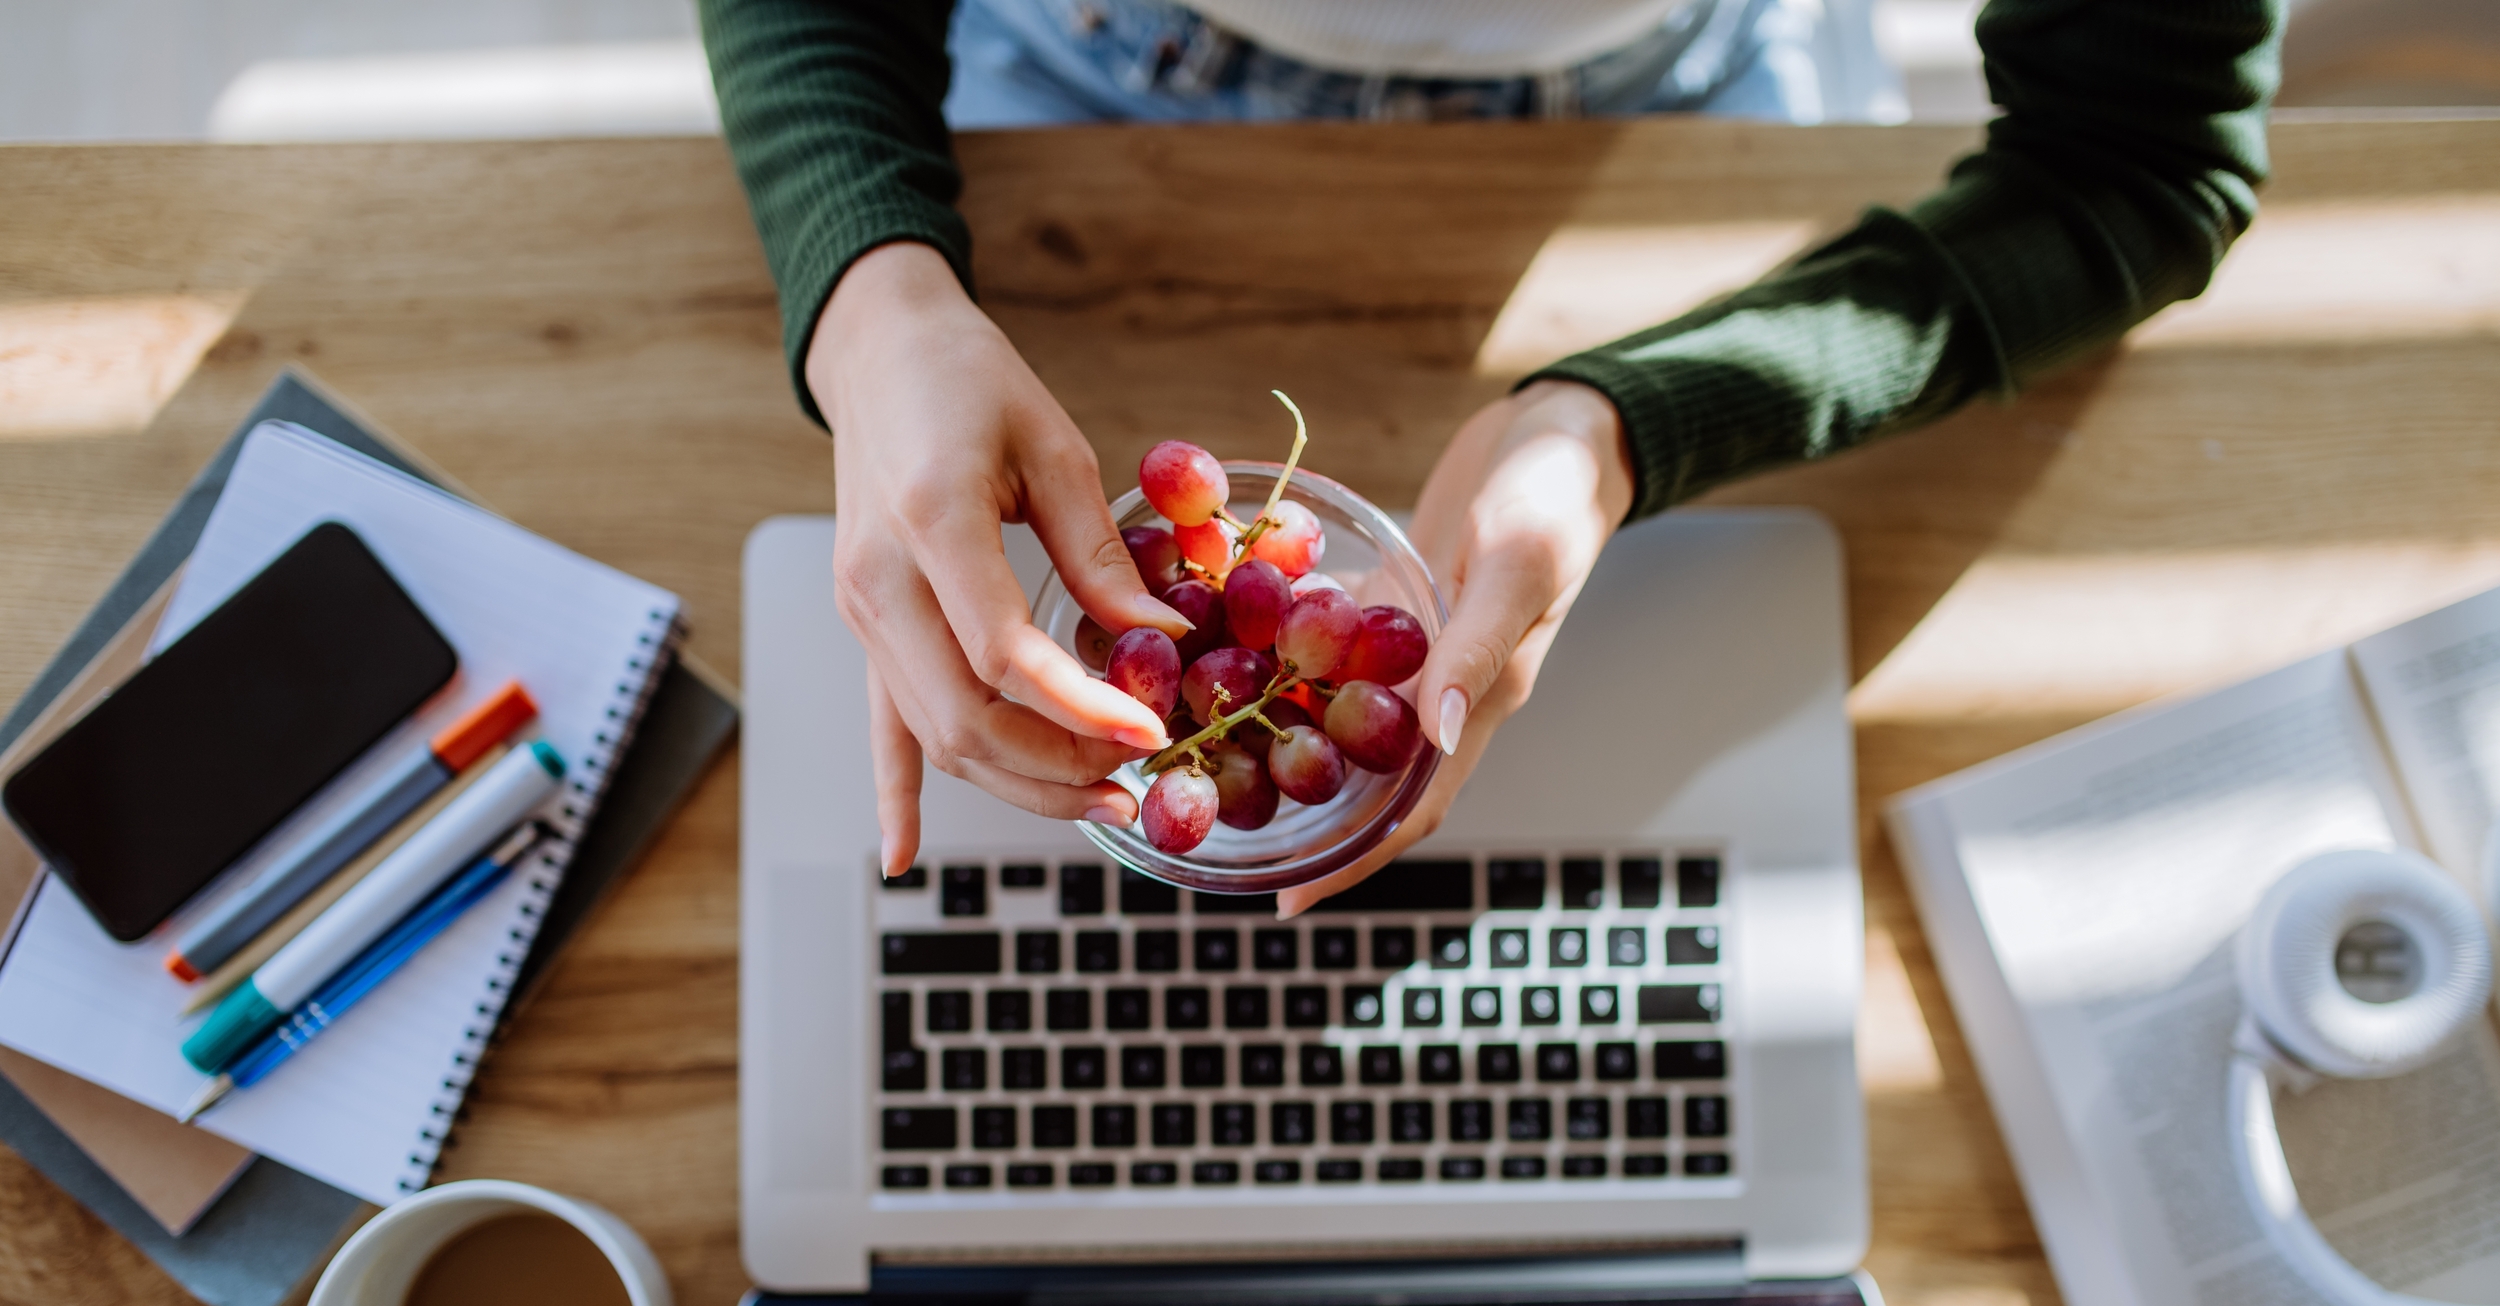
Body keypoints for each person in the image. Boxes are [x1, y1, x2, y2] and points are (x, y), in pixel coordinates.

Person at [701, 0, 2283, 913]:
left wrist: (1618, 426)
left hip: (1687, 80)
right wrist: (873, 294)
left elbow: (2136, 165)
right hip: (1095, 56)